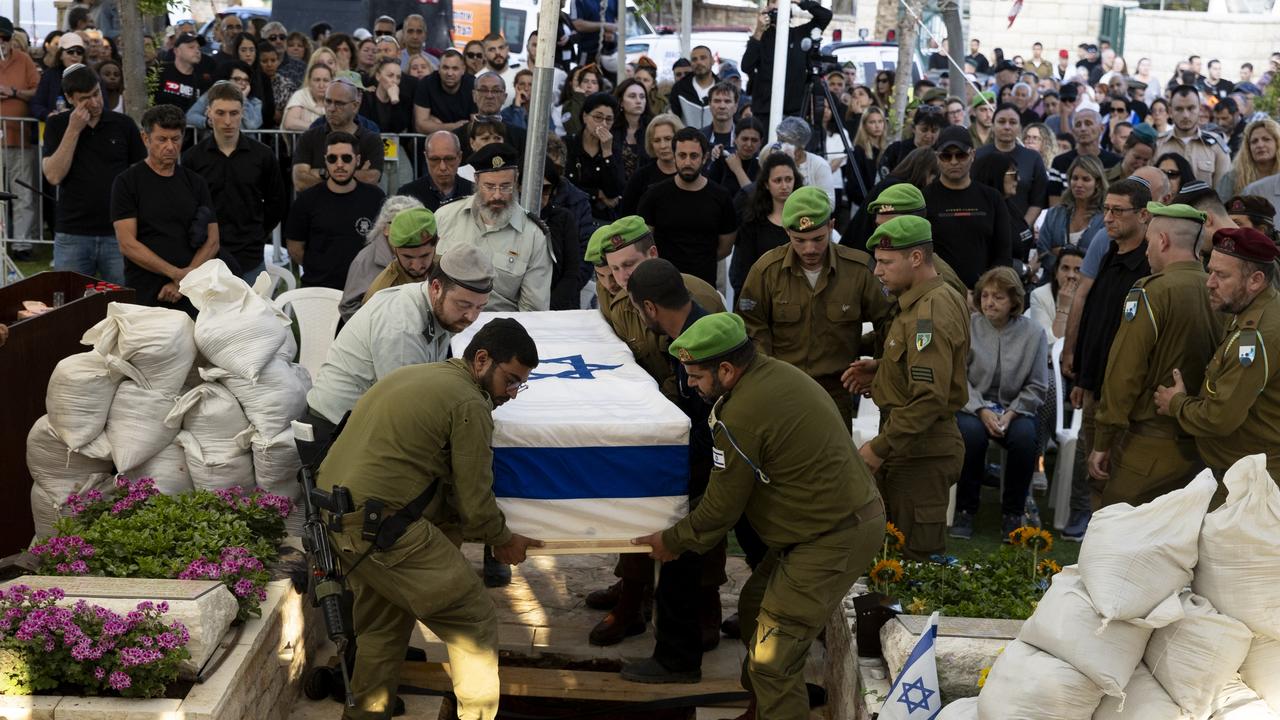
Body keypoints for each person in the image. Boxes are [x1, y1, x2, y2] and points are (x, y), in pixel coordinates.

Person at [632, 310, 883, 720]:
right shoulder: (773, 374)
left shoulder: (742, 415)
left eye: (696, 377)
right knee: (754, 604)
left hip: (830, 538)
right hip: (815, 530)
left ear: (727, 370)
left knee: (772, 661)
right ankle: (762, 708)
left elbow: (722, 506)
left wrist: (672, 541)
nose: (691, 386)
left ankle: (774, 702)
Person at [315, 318, 543, 720]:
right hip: (383, 528)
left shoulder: (418, 375)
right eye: (509, 380)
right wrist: (502, 538)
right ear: (482, 359)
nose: (511, 393)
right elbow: (475, 500)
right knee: (473, 620)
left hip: (337, 519)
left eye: (519, 384)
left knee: (384, 622)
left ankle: (368, 711)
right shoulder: (469, 403)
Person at [1087, 203, 1219, 509]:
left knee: (1114, 544)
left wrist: (1104, 439)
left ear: (1163, 242)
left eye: (1148, 243)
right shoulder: (1217, 290)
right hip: (1202, 449)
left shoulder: (1150, 291)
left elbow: (1125, 371)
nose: (1146, 253)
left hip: (1150, 445)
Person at [853, 215, 968, 559]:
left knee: (916, 566)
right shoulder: (919, 302)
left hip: (920, 448)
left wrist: (879, 448)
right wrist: (883, 368)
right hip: (910, 443)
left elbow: (928, 399)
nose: (877, 271)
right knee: (891, 558)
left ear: (916, 259)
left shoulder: (928, 313)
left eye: (887, 262)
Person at [738, 186, 890, 429]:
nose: (809, 249)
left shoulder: (858, 270)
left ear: (831, 226)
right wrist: (764, 380)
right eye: (800, 240)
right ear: (787, 231)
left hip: (836, 392)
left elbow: (890, 322)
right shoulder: (766, 271)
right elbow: (752, 329)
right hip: (781, 391)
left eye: (818, 239)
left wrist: (879, 367)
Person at [308, 240, 493, 427]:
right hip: (334, 429)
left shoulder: (433, 305)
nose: (471, 316)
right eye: (463, 305)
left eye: (480, 307)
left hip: (362, 420)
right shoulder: (403, 325)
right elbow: (405, 412)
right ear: (436, 288)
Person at [1155, 227, 1280, 497]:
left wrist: (1175, 402)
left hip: (1249, 487)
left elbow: (1219, 418)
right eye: (1210, 270)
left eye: (1221, 275)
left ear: (1256, 280)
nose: (1209, 282)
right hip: (1243, 474)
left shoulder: (1256, 337)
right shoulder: (1252, 311)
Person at [950, 266, 1047, 541]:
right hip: (972, 405)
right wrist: (981, 410)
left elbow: (1038, 385)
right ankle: (966, 509)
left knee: (1026, 438)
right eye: (986, 296)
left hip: (1016, 409)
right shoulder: (969, 327)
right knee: (971, 436)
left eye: (999, 297)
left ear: (1015, 301)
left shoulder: (1034, 333)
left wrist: (1012, 414)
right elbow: (958, 377)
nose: (989, 303)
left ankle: (1013, 513)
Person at [110, 104, 219, 313]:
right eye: (162, 139)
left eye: (175, 139)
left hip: (192, 291)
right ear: (145, 138)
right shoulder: (127, 182)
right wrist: (175, 274)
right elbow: (127, 243)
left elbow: (213, 241)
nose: (170, 146)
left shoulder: (196, 183)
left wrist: (183, 281)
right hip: (146, 290)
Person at [42, 63, 142, 285]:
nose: (95, 102)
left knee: (124, 304)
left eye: (97, 93)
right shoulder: (57, 125)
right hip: (73, 233)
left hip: (117, 232)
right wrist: (73, 129)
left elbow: (140, 175)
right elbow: (53, 176)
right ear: (70, 98)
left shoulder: (123, 124)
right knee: (68, 304)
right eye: (86, 98)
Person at [181, 80, 284, 283]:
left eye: (233, 113)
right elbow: (186, 207)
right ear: (209, 112)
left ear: (242, 112)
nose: (227, 121)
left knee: (253, 314)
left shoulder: (263, 156)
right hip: (207, 257)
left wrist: (257, 233)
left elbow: (277, 203)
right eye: (220, 113)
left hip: (250, 255)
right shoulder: (193, 158)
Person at [434, 143, 552, 311]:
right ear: (476, 181)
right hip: (447, 327)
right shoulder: (444, 217)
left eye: (505, 186)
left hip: (500, 329)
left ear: (516, 180)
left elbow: (533, 310)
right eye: (489, 186)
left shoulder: (533, 235)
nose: (497, 195)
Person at [285, 131, 386, 290]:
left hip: (364, 288)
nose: (339, 164)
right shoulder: (306, 200)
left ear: (357, 160)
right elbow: (295, 248)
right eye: (332, 158)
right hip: (318, 288)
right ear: (325, 160)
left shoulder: (376, 198)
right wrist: (318, 268)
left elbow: (384, 243)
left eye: (346, 158)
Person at [637, 127, 737, 287]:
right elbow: (644, 243)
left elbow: (725, 248)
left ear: (704, 158)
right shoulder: (654, 195)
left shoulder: (721, 197)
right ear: (674, 156)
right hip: (663, 283)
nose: (687, 162)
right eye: (682, 155)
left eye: (694, 156)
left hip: (704, 285)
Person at [923, 126, 1014, 287]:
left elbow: (1003, 254)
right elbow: (921, 255)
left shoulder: (992, 198)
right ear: (937, 157)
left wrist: (984, 292)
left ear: (972, 155)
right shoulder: (924, 198)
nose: (954, 161)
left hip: (985, 297)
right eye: (946, 156)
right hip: (939, 293)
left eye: (961, 155)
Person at [740, 0, 832, 124]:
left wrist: (800, 1)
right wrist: (758, 31)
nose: (779, 5)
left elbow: (825, 16)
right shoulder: (761, 37)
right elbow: (746, 66)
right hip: (765, 114)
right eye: (773, 1)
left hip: (795, 114)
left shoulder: (800, 35)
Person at [340, 195, 425, 323]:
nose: (409, 231)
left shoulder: (427, 253)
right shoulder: (365, 259)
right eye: (402, 224)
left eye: (415, 225)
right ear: (385, 229)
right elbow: (349, 307)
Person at [292, 78, 383, 193]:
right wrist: (351, 175)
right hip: (317, 208)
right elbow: (300, 182)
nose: (331, 108)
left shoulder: (371, 140)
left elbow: (370, 178)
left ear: (355, 106)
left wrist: (321, 173)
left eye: (339, 103)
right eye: (328, 101)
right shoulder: (308, 137)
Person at [728, 153, 799, 298]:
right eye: (777, 180)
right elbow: (743, 269)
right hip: (760, 297)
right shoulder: (752, 223)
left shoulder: (804, 220)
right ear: (766, 184)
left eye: (788, 179)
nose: (784, 186)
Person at [976, 103, 1049, 227]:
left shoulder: (1033, 158)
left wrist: (1022, 228)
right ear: (993, 126)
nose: (1007, 127)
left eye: (1013, 122)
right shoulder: (978, 156)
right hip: (984, 229)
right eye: (1001, 121)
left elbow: (1038, 200)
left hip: (1021, 229)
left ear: (1020, 127)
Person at [1037, 156, 1107, 276]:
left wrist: (1063, 251)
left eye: (1086, 179)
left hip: (1090, 283)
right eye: (1075, 178)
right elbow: (1043, 250)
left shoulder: (1106, 218)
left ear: (1097, 183)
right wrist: (1064, 272)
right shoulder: (1054, 213)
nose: (1078, 184)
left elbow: (1101, 256)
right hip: (1052, 281)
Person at [1156, 85, 1231, 188]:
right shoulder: (1157, 145)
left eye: (1191, 108)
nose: (1185, 115)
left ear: (1200, 109)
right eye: (1179, 109)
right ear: (1170, 112)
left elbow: (1223, 192)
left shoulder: (1216, 146)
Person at [360, 206, 439, 303]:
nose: (416, 266)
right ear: (394, 248)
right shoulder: (381, 293)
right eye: (407, 257)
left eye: (424, 256)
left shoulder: (448, 270)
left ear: (437, 243)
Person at [566, 92, 624, 221]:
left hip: (603, 218)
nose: (603, 124)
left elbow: (614, 192)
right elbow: (565, 185)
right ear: (585, 116)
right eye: (598, 117)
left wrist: (607, 152)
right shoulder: (568, 144)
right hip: (571, 214)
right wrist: (597, 194)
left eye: (609, 119)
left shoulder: (614, 148)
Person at [1048, 109, 1121, 203]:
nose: (1083, 128)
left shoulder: (1115, 162)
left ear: (1102, 128)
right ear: (1073, 132)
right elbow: (1055, 204)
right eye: (1078, 125)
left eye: (1088, 123)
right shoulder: (1060, 162)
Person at [618, 113, 683, 216]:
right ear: (651, 144)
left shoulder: (691, 174)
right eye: (657, 140)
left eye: (668, 139)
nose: (663, 146)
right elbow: (626, 218)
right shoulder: (640, 178)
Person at [539, 164, 584, 310]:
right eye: (534, 188)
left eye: (545, 189)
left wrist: (550, 308)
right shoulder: (511, 218)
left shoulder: (563, 218)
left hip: (557, 306)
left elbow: (572, 272)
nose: (539, 195)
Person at [398, 130, 474, 211]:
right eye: (435, 159)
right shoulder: (408, 195)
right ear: (426, 158)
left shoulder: (474, 194)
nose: (442, 167)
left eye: (449, 159)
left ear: (460, 157)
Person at [185, 61, 263, 130]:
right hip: (214, 144)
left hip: (244, 145)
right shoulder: (211, 95)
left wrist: (243, 98)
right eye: (237, 79)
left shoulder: (255, 102)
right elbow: (190, 116)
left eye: (246, 80)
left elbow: (252, 125)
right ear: (226, 79)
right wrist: (208, 122)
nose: (243, 83)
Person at [413, 49, 475, 135]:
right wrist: (454, 127)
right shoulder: (426, 83)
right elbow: (420, 126)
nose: (449, 73)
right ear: (438, 68)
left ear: (463, 70)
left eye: (455, 68)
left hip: (465, 139)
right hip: (433, 139)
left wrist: (437, 125)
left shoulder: (473, 85)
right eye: (445, 68)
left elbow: (476, 126)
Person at [1030, 245, 1085, 340]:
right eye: (1065, 268)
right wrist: (1063, 308)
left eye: (1078, 270)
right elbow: (1046, 342)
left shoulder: (1095, 297)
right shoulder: (1040, 296)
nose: (1071, 275)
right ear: (1056, 272)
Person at [1218, 118, 1280, 200]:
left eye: (1266, 139)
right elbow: (1221, 210)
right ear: (1248, 148)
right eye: (1254, 141)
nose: (1260, 145)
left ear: (1277, 143)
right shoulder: (1232, 178)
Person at [878, 107, 945, 179]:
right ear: (913, 128)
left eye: (934, 131)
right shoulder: (896, 150)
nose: (928, 135)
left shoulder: (943, 154)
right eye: (924, 130)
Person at [707, 118, 764, 202]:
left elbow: (756, 199)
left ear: (761, 142)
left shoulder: (762, 167)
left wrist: (737, 169)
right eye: (745, 139)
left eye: (754, 140)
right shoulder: (722, 162)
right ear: (735, 139)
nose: (749, 144)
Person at [152, 33, 211, 112]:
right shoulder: (159, 71)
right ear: (177, 51)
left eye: (198, 48)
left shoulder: (201, 81)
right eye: (191, 47)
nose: (197, 51)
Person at [360, 57, 414, 134]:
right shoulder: (366, 98)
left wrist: (395, 101)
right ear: (378, 76)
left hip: (394, 144)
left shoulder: (403, 100)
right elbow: (365, 125)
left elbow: (399, 128)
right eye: (390, 76)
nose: (394, 81)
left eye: (398, 77)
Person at [668, 45, 717, 126]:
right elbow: (673, 121)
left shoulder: (722, 89)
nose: (698, 62)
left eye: (703, 58)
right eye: (694, 59)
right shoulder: (679, 88)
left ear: (712, 61)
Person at [282, 60, 331, 131]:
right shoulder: (301, 95)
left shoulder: (336, 98)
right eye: (317, 80)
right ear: (309, 81)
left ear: (332, 82)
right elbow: (290, 123)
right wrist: (321, 128)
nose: (321, 85)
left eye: (326, 80)